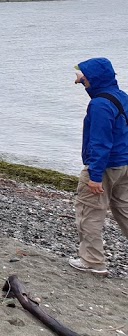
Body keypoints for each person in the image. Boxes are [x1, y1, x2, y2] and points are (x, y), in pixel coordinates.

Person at [69, 57, 128, 275]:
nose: (78, 78)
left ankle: (92, 262)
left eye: (82, 75)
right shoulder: (122, 97)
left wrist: (94, 176)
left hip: (105, 167)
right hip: (124, 164)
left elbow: (101, 143)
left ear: (93, 78)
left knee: (89, 212)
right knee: (124, 210)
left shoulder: (100, 105)